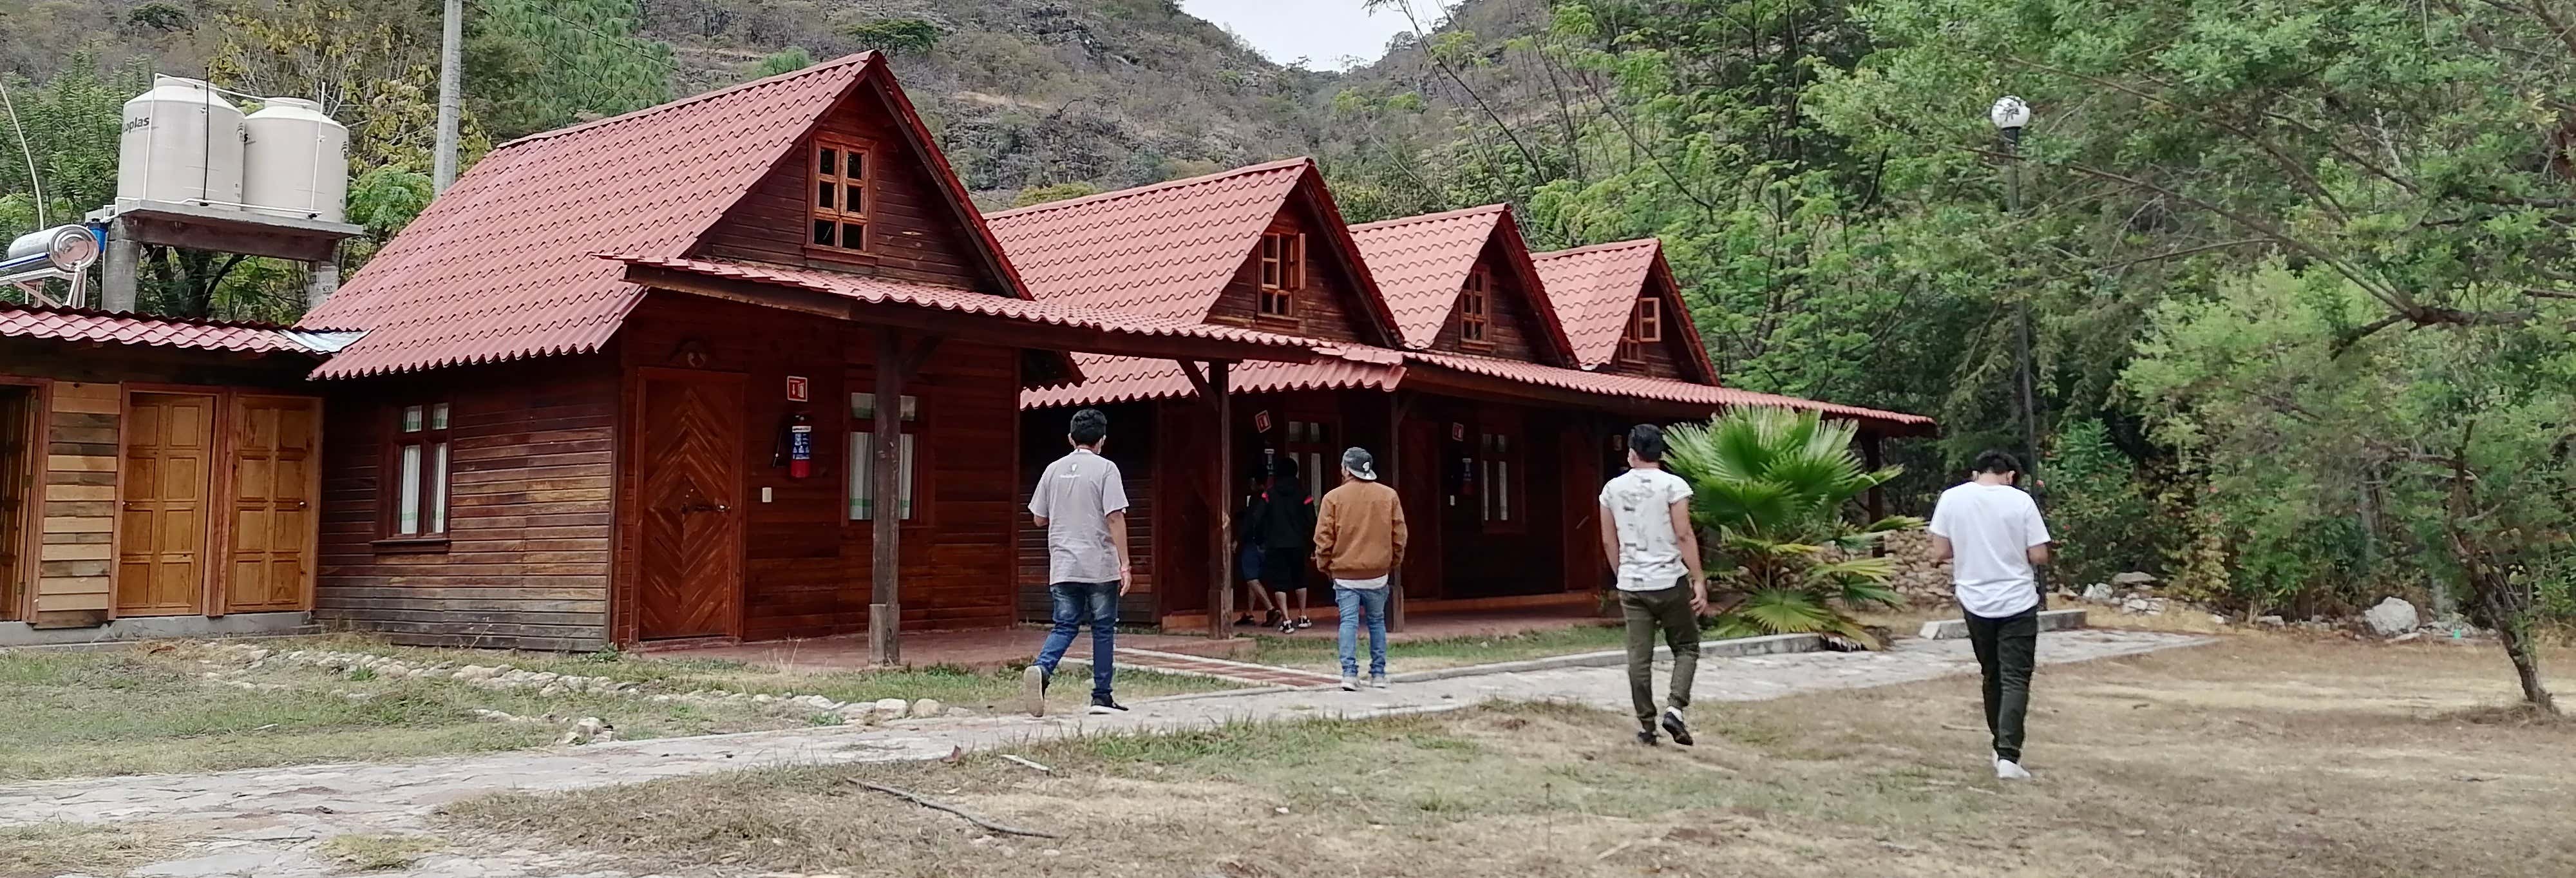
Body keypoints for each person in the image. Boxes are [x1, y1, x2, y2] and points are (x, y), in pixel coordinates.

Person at [1928, 450, 2054, 780]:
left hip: (1974, 599)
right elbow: (2039, 554)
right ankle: (2009, 757)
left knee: (1991, 673)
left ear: (1976, 473)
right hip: (2016, 600)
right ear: (2010, 476)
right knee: (2016, 677)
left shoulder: (1951, 499)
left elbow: (1940, 552)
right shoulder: (2021, 501)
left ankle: (1999, 746)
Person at [1599, 423, 1707, 747]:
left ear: (1632, 452)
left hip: (1633, 583)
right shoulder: (1673, 485)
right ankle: (1675, 707)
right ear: (1660, 453)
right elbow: (1684, 534)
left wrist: (1623, 574)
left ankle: (1647, 726)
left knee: (1639, 658)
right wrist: (1698, 578)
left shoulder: (1611, 490)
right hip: (1669, 580)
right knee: (1686, 646)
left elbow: (1608, 539)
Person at [1022, 408, 1132, 717]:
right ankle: (1101, 697)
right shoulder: (1106, 469)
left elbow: (1038, 518)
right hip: (1098, 563)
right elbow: (1114, 516)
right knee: (1103, 629)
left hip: (1063, 564)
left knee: (1065, 624)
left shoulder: (1053, 470)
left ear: (1070, 438)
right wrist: (1125, 564)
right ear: (1103, 440)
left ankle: (1043, 669)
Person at [1312, 447, 1406, 691]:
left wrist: (1325, 566)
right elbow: (1399, 536)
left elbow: (1323, 539)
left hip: (1345, 575)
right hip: (1378, 574)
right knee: (1377, 623)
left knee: (1349, 622)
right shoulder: (1389, 496)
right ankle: (1378, 674)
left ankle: (1349, 675)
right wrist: (1391, 562)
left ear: (1345, 469)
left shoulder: (1333, 498)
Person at [1246, 456, 1316, 634]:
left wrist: (1261, 539)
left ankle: (1286, 620)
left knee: (1280, 583)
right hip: (1298, 543)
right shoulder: (1304, 494)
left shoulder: (1269, 494)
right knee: (1300, 579)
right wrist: (1312, 543)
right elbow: (1312, 521)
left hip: (1275, 544)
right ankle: (1302, 615)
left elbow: (1257, 518)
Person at [1233, 475, 1281, 628]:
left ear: (1254, 481)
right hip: (1267, 543)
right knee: (1253, 579)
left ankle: (1271, 609)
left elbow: (1250, 521)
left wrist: (1237, 540)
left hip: (1253, 542)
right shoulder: (1271, 497)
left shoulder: (1255, 499)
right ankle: (1250, 612)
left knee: (1251, 578)